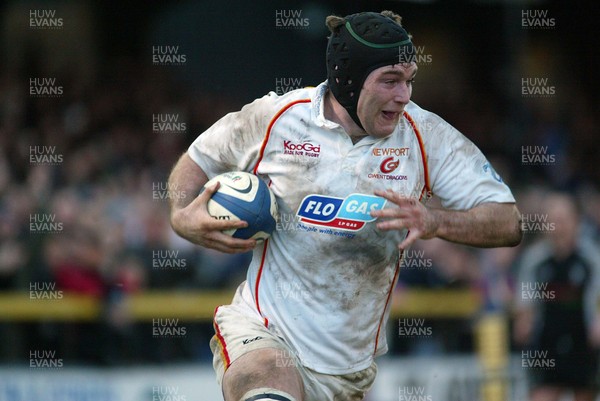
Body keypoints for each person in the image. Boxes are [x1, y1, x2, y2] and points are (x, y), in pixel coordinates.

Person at [168, 11, 522, 401]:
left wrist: (435, 221)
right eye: (390, 81)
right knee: (265, 386)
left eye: (409, 81)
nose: (404, 95)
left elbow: (508, 222)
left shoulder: (427, 136)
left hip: (346, 372)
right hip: (262, 330)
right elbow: (198, 159)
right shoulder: (277, 117)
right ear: (349, 81)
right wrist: (182, 216)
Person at [513, 192, 600, 401]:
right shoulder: (535, 262)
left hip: (582, 348)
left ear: (576, 222)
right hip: (546, 348)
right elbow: (524, 306)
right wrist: (523, 322)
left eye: (563, 220)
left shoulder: (591, 260)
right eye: (553, 221)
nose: (558, 227)